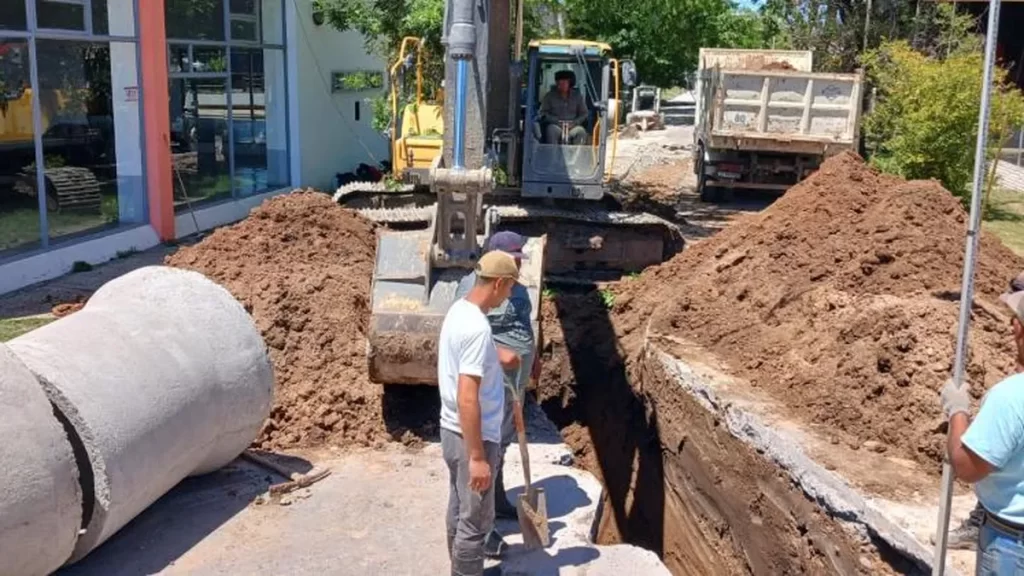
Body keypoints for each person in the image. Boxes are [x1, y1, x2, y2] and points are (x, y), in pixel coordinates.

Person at [453, 231, 541, 558]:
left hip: (515, 381)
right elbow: (469, 334)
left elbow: (524, 324)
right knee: (487, 446)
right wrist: (500, 352)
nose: (519, 266)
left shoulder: (515, 285)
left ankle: (499, 497)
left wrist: (536, 357)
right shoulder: (470, 288)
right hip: (493, 379)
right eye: (514, 260)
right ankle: (482, 530)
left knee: (502, 442)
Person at [438, 250, 522, 576]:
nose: (511, 293)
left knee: (459, 508)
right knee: (475, 523)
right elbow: (468, 398)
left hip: (451, 431)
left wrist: (494, 355)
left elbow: (464, 355)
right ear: (499, 283)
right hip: (471, 435)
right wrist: (477, 457)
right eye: (511, 287)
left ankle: (458, 569)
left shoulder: (460, 311)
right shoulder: (477, 329)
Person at [938, 271, 1024, 551]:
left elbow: (966, 466)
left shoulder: (1010, 398)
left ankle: (979, 522)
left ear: (1018, 329)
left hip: (1011, 543)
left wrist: (957, 411)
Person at [538, 70, 589, 145]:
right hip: (556, 125)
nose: (562, 85)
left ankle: (576, 156)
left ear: (570, 83)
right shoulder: (549, 96)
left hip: (573, 126)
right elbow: (542, 113)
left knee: (581, 132)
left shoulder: (577, 96)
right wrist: (556, 121)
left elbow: (584, 113)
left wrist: (575, 122)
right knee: (551, 130)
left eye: (564, 82)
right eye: (559, 82)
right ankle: (553, 155)